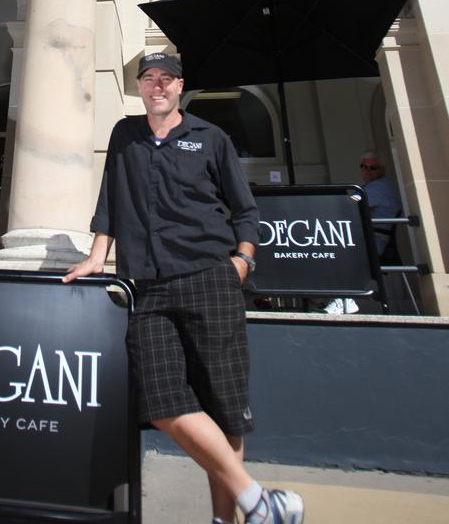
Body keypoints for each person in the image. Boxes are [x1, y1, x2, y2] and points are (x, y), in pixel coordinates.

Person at [64, 52, 304, 524]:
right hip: (149, 287)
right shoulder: (124, 135)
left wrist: (242, 260)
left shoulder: (210, 138)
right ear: (140, 87)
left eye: (166, 79)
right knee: (160, 402)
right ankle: (258, 501)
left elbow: (245, 210)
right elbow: (110, 197)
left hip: (209, 277)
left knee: (225, 408)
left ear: (180, 87)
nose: (157, 87)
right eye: (148, 79)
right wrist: (97, 254)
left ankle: (228, 518)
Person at [359, 150, 401, 258]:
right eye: (364, 166)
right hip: (367, 237)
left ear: (382, 170)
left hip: (373, 241)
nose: (367, 171)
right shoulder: (371, 186)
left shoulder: (378, 187)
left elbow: (351, 204)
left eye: (373, 168)